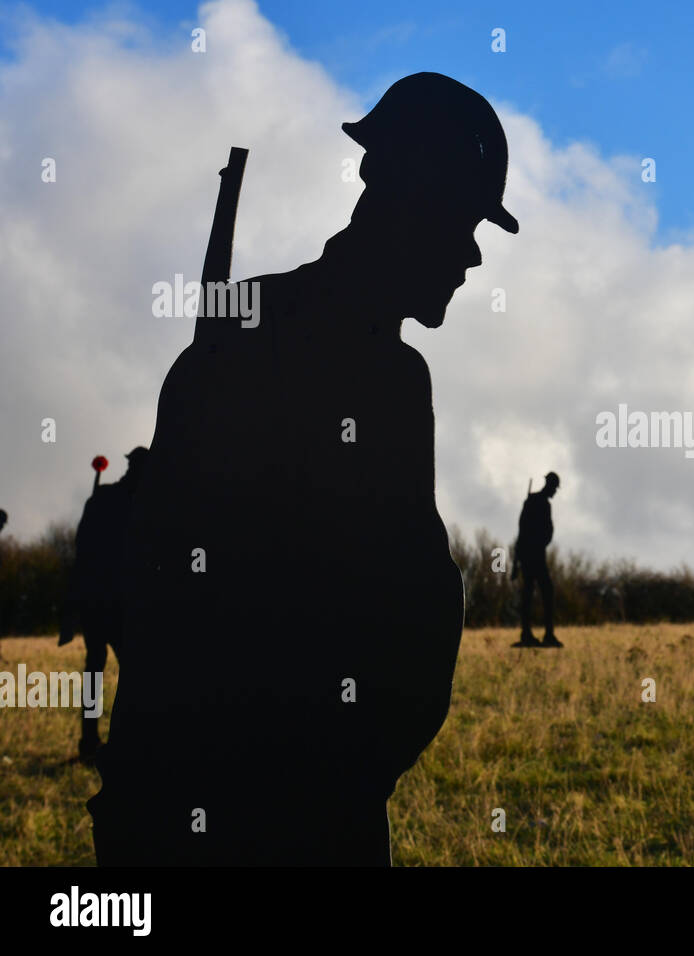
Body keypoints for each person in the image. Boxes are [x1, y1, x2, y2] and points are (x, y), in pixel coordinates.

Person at [89, 72, 517, 865]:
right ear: (412, 207)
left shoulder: (288, 338)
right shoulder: (361, 370)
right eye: (463, 223)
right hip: (277, 817)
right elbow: (162, 589)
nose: (471, 255)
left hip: (250, 805)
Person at [64, 448, 149, 761]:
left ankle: (92, 743)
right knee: (129, 673)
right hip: (114, 603)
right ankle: (113, 743)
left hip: (95, 601)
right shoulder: (137, 505)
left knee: (96, 672)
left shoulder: (102, 499)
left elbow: (81, 547)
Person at [513, 472, 562, 648]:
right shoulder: (538, 503)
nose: (555, 492)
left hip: (531, 555)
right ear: (550, 485)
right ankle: (537, 634)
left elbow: (530, 530)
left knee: (531, 594)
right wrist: (517, 560)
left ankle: (533, 634)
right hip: (533, 556)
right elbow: (524, 530)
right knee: (542, 593)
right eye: (555, 488)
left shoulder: (535, 502)